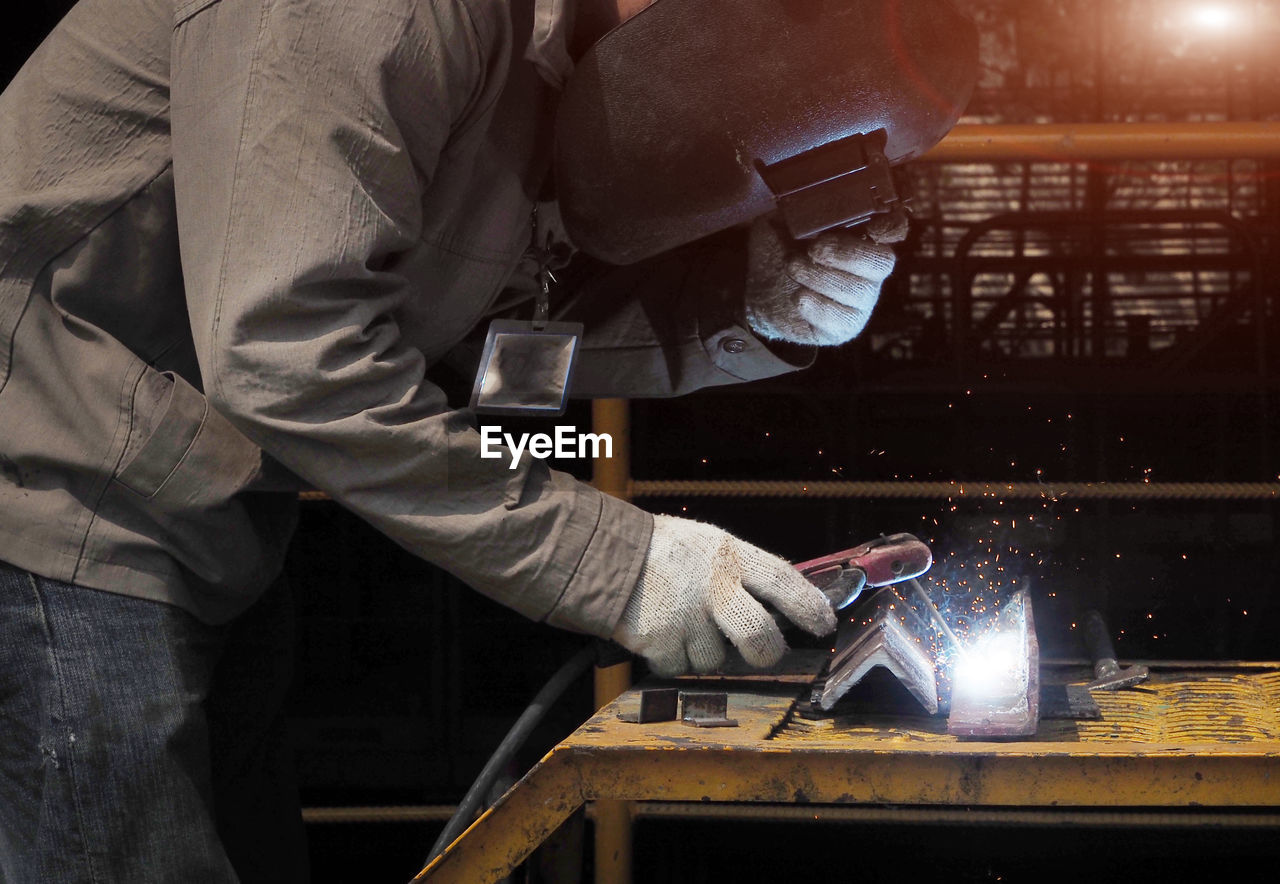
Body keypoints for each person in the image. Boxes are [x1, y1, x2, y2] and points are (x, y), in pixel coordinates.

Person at [0, 0, 899, 879]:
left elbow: (478, 339)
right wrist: (622, 562)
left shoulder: (535, 55)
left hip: (194, 522)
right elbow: (288, 348)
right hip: (50, 503)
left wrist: (743, 311)